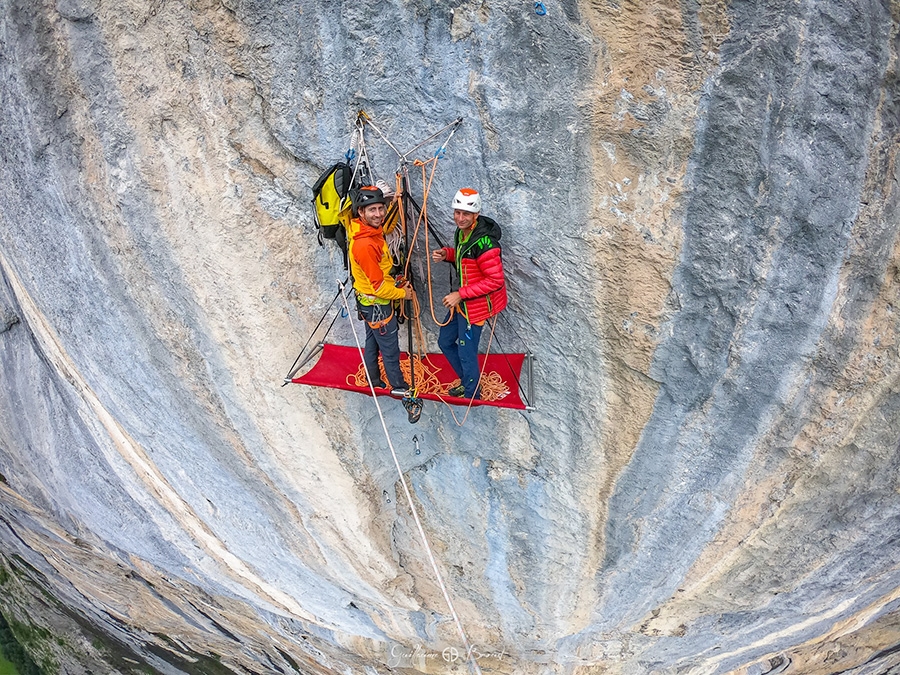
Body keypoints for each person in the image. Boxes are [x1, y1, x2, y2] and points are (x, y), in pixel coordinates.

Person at [431, 188, 508, 399]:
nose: (460, 218)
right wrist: (447, 254)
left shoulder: (486, 244)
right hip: (463, 302)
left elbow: (495, 280)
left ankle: (473, 392)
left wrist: (460, 294)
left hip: (475, 307)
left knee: (467, 353)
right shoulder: (462, 233)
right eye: (457, 212)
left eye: (466, 214)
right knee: (445, 342)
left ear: (476, 215)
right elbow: (466, 258)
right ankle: (467, 382)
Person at [349, 185, 413, 395]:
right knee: (389, 349)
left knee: (372, 342)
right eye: (372, 210)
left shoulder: (369, 231)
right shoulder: (365, 245)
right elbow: (378, 287)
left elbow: (378, 275)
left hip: (368, 302)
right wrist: (404, 293)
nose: (378, 214)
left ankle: (373, 380)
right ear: (361, 212)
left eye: (380, 208)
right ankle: (399, 388)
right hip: (378, 304)